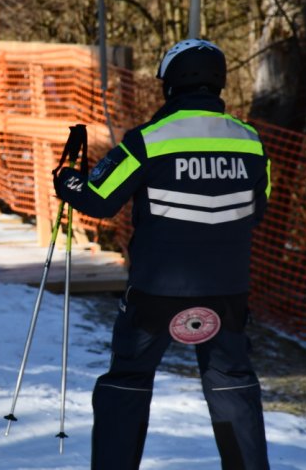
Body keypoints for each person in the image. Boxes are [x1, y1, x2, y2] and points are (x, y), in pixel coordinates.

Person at [53, 39, 271, 469]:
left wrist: (66, 180)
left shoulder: (148, 141)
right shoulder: (250, 142)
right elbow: (257, 210)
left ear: (170, 83)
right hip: (227, 291)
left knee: (127, 382)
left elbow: (99, 199)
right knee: (232, 384)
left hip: (156, 289)